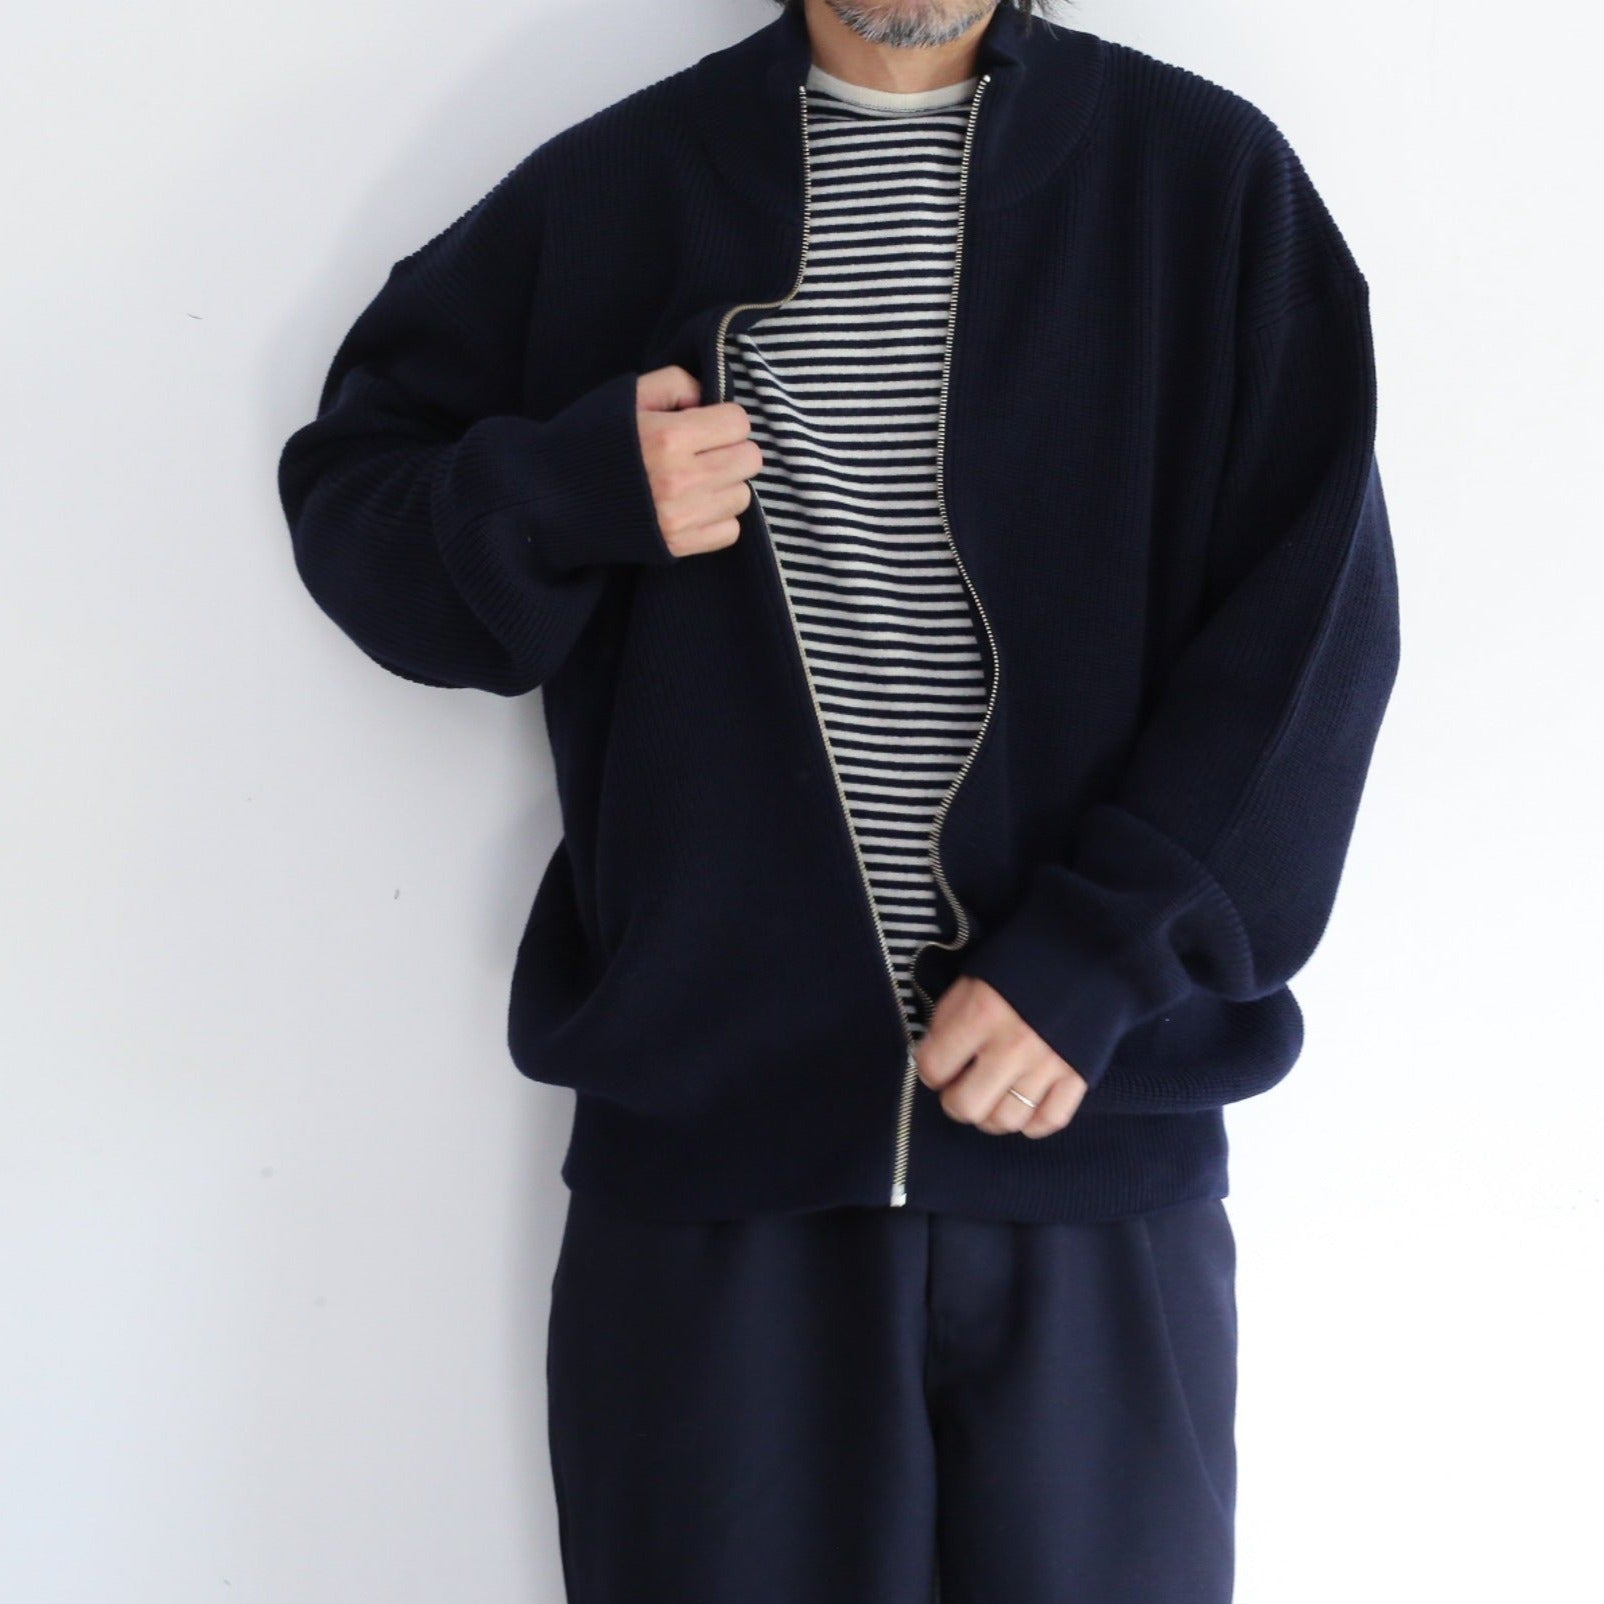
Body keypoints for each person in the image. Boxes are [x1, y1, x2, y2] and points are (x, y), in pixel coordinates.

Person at [276, 0, 1401, 1598]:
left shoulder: (1203, 187)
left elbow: (1314, 637)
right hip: (713, 1177)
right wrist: (577, 491)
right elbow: (355, 495)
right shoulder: (624, 192)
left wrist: (1104, 955)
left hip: (1092, 1156)